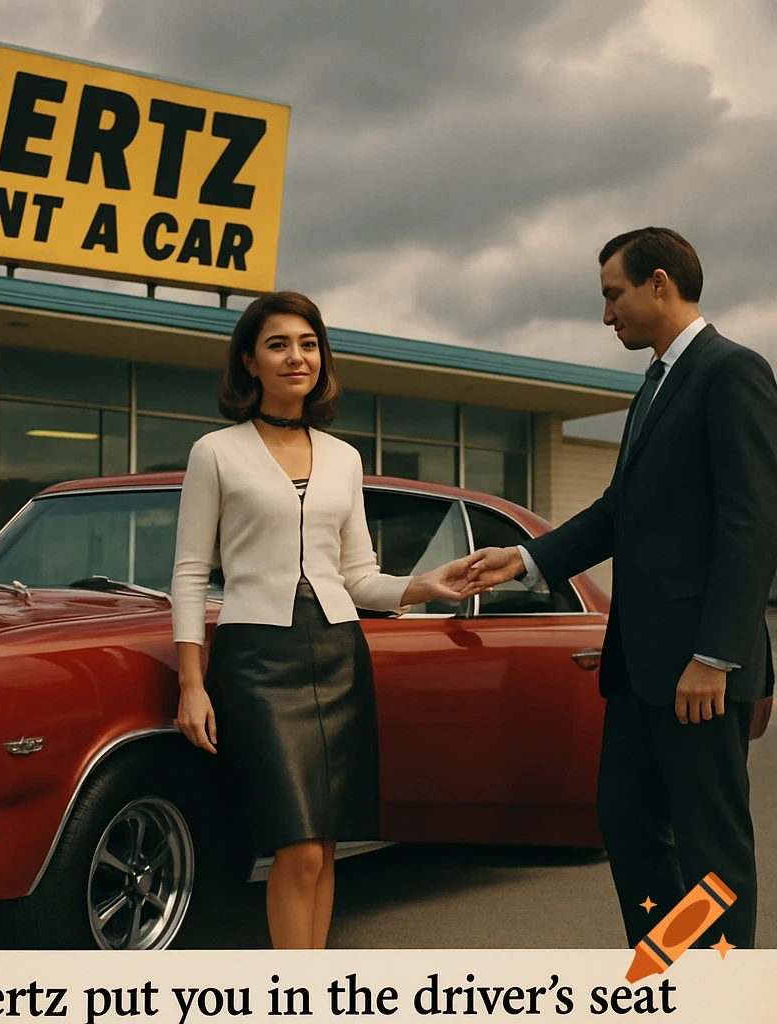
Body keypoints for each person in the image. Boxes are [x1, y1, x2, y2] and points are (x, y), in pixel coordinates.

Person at [467, 227, 777, 951]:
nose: (608, 315)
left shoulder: (732, 373)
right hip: (639, 670)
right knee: (628, 823)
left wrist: (718, 656)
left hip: (699, 668)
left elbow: (753, 525)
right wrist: (527, 558)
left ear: (660, 283)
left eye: (614, 295)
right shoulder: (654, 386)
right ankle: (666, 966)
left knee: (712, 849)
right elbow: (618, 511)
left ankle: (721, 991)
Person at [170, 290, 489, 949]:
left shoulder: (345, 457)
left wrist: (427, 583)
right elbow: (190, 571)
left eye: (308, 343)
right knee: (295, 846)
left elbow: (357, 575)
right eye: (279, 344)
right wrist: (191, 682)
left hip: (340, 654)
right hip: (256, 659)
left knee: (324, 847)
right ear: (249, 361)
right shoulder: (215, 452)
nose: (297, 356)